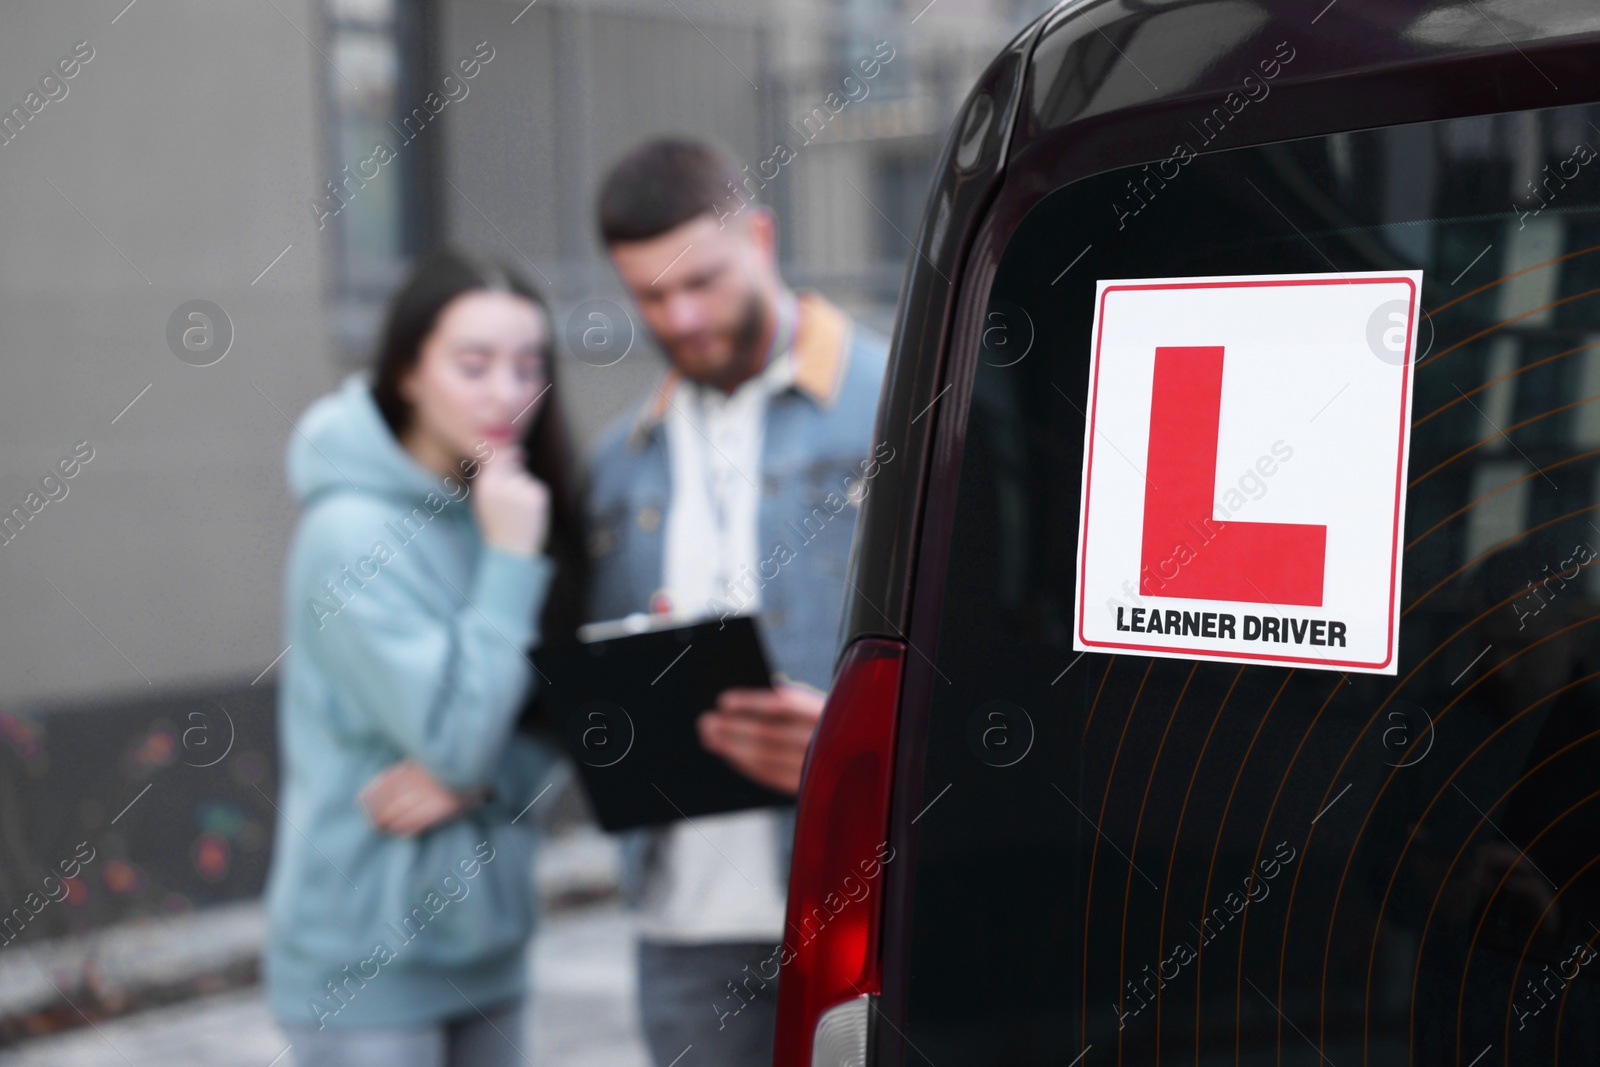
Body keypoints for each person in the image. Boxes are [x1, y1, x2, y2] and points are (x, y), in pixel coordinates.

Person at [587, 137, 891, 1065]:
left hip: (860, 904)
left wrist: (850, 739)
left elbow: (998, 631)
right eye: (648, 295)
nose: (680, 316)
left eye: (703, 281)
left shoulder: (901, 398)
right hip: (684, 926)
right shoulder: (618, 462)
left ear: (761, 237)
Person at [262, 249, 585, 1067]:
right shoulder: (352, 535)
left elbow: (551, 715)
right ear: (407, 371)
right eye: (473, 365)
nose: (507, 393)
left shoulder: (502, 501)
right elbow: (454, 740)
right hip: (367, 964)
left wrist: (486, 782)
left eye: (527, 365)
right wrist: (512, 565)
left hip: (491, 948)